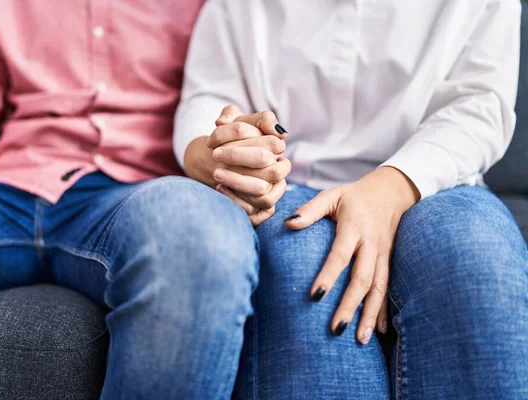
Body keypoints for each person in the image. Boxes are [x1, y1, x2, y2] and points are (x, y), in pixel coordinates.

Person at [175, 0, 528, 398]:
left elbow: (480, 104)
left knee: (474, 255)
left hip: (435, 176)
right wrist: (231, 148)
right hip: (291, 183)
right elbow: (209, 96)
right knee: (301, 268)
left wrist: (391, 186)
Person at [0, 1, 261, 399]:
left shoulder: (212, 8)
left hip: (134, 197)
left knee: (197, 234)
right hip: (5, 192)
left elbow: (211, 105)